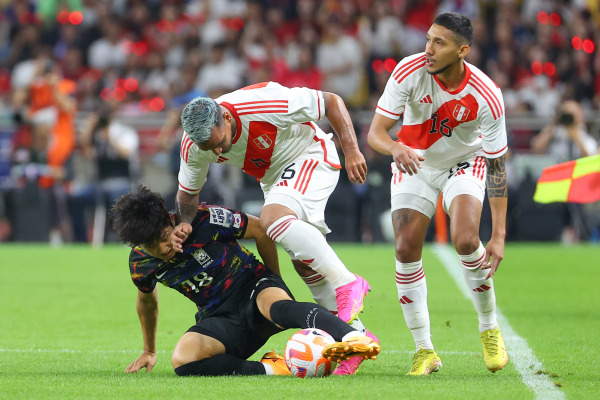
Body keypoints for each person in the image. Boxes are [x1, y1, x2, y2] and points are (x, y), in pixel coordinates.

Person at [175, 81, 375, 375]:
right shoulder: (194, 145)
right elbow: (187, 194)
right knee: (305, 265)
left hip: (309, 154)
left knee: (271, 220)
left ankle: (348, 283)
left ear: (227, 118)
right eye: (210, 148)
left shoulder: (261, 104)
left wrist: (352, 151)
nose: (217, 150)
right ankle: (355, 339)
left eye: (219, 142)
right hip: (275, 179)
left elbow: (331, 101)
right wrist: (183, 222)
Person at [110, 185, 380, 376]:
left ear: (169, 219)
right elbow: (147, 301)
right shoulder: (140, 263)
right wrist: (149, 350)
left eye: (164, 236)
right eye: (151, 245)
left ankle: (354, 337)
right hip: (219, 317)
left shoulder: (205, 220)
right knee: (183, 360)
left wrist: (274, 278)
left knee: (276, 307)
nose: (163, 247)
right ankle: (274, 368)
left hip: (253, 284)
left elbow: (261, 230)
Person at [367, 12, 509, 375]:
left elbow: (496, 166)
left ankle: (489, 328)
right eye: (428, 39)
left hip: (465, 162)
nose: (428, 49)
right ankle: (424, 350)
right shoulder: (407, 71)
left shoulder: (487, 95)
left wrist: (499, 235)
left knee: (464, 239)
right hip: (414, 163)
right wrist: (395, 148)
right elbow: (377, 133)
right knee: (405, 247)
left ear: (462, 51)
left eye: (439, 42)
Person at [531, 100, 599, 242]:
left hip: (579, 187)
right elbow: (536, 147)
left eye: (571, 114)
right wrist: (553, 125)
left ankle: (582, 234)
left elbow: (592, 162)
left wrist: (576, 136)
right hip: (555, 185)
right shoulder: (554, 134)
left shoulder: (584, 137)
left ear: (580, 117)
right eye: (565, 113)